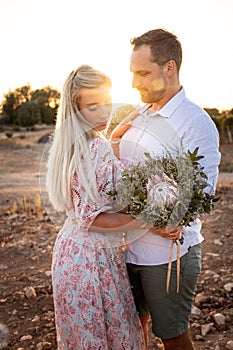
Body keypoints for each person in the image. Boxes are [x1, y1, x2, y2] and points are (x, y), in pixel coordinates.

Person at [110, 29, 221, 350]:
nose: (134, 83)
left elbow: (199, 196)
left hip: (167, 256)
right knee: (133, 328)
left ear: (169, 69)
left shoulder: (194, 122)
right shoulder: (139, 114)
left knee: (171, 335)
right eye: (132, 74)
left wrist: (152, 218)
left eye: (143, 73)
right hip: (125, 248)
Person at [46, 64, 150, 349]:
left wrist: (114, 138)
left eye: (106, 103)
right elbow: (92, 219)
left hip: (71, 256)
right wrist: (147, 219)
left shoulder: (71, 143)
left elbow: (94, 183)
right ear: (75, 111)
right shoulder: (94, 146)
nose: (103, 113)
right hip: (93, 262)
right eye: (93, 107)